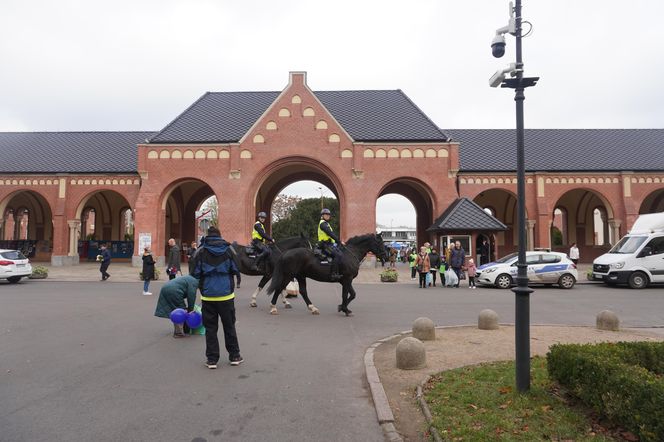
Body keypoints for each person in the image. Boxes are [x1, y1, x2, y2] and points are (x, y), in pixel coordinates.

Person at [192, 226, 243, 369]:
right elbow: (236, 268)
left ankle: (212, 359)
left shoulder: (201, 251)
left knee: (210, 329)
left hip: (208, 297)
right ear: (220, 235)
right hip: (226, 295)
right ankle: (235, 356)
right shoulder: (228, 249)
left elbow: (194, 273)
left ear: (208, 236)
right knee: (229, 326)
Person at [318, 208, 345, 281]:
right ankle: (333, 274)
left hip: (329, 244)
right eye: (326, 215)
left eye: (329, 215)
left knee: (340, 253)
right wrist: (339, 241)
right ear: (322, 215)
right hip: (324, 244)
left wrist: (337, 242)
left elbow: (331, 235)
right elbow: (330, 233)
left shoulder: (326, 224)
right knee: (337, 255)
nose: (328, 216)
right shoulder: (322, 224)